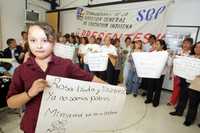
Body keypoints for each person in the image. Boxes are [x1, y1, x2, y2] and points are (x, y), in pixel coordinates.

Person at [6, 23, 106, 133]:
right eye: (33, 40)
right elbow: (11, 102)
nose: (39, 46)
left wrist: (115, 91)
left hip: (62, 125)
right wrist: (30, 93)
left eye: (45, 40)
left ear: (53, 42)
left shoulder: (65, 65)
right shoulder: (21, 70)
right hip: (33, 126)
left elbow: (92, 79)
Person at [169, 37, 193, 116]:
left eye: (188, 43)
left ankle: (179, 108)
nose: (186, 45)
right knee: (176, 90)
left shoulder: (191, 55)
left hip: (186, 77)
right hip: (177, 75)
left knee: (183, 94)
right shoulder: (178, 52)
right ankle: (176, 105)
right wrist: (173, 57)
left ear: (191, 45)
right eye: (184, 43)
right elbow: (172, 63)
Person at [145, 39, 168, 107]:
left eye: (157, 44)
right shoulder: (153, 52)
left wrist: (169, 57)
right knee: (150, 86)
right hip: (152, 73)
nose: (155, 45)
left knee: (158, 88)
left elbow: (169, 64)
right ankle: (149, 99)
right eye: (155, 44)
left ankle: (156, 101)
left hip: (161, 74)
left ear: (162, 46)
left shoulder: (165, 53)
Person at [183, 42, 200, 127]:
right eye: (196, 47)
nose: (198, 49)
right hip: (192, 84)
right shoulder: (190, 57)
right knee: (193, 103)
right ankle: (189, 119)